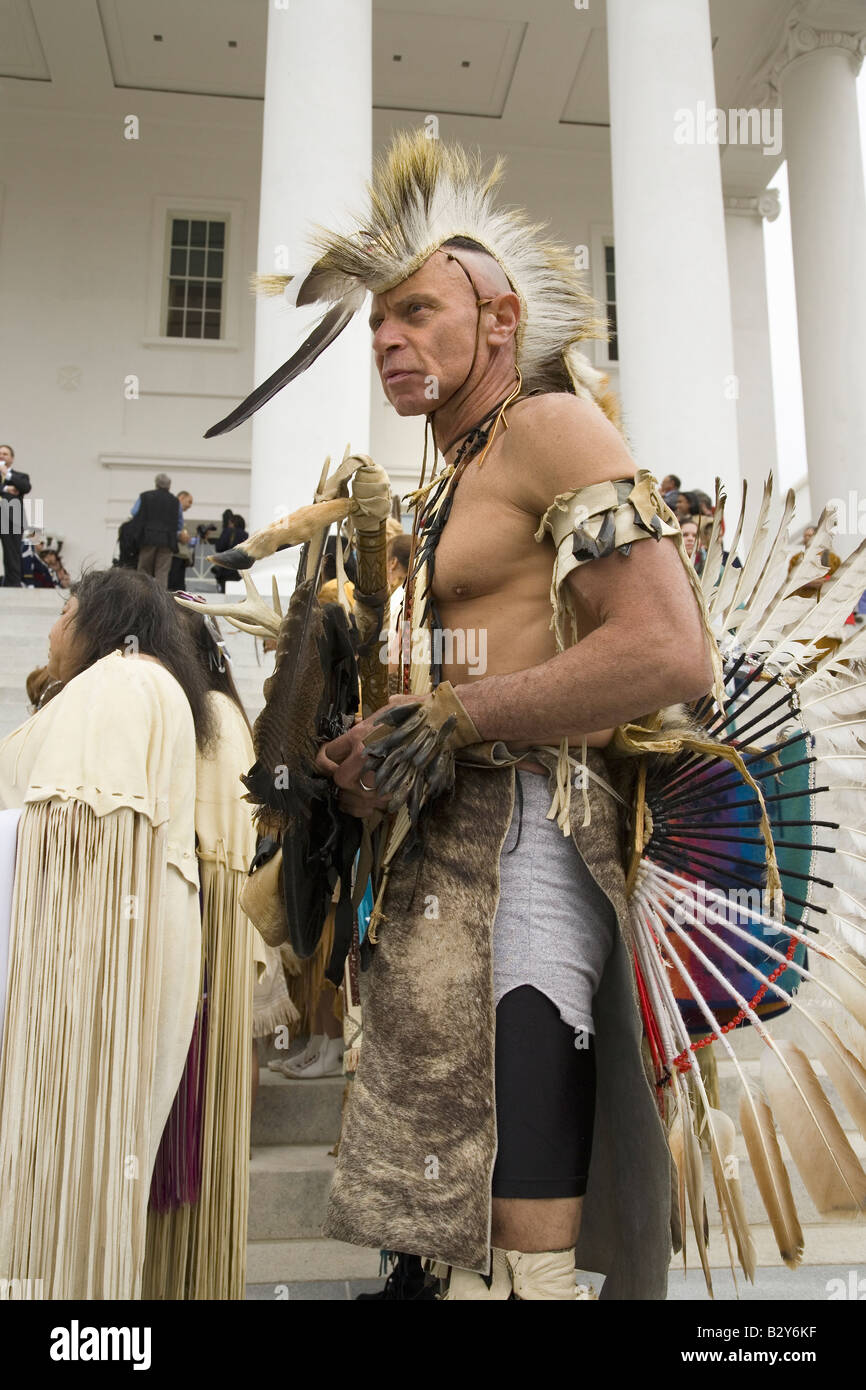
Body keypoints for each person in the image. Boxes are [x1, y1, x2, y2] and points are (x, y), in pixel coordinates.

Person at [212, 132, 718, 1300]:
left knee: (512, 1179)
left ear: (497, 324)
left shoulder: (547, 427)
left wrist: (461, 712)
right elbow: (448, 686)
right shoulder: (450, 476)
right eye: (380, 323)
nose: (391, 340)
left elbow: (666, 646)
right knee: (432, 1200)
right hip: (437, 858)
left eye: (420, 314)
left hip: (532, 843)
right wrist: (374, 750)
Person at [0, 568, 211, 1297]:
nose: (51, 630)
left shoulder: (121, 681)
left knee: (64, 1183)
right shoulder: (137, 683)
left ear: (100, 619)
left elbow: (80, 842)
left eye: (62, 612)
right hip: (116, 949)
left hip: (95, 966)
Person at [142, 600, 265, 1299]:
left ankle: (180, 1276)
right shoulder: (220, 711)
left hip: (203, 927)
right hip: (212, 925)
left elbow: (212, 852)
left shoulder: (205, 717)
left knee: (193, 1092)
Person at [132, 472, 184, 587]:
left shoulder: (145, 496)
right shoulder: (175, 501)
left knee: (144, 570)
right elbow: (180, 523)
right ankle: (159, 600)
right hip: (168, 540)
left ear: (156, 484)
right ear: (169, 486)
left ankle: (141, 595)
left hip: (148, 538)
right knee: (162, 571)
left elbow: (134, 512)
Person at [0, 444, 31, 588]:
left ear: (11, 458)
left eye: (5, 454)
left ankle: (13, 584)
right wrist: (6, 488)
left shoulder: (20, 476)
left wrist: (7, 474)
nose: (2, 456)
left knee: (12, 552)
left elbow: (25, 487)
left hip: (11, 518)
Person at [211, 513, 249, 593]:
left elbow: (219, 547)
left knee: (224, 594)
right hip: (239, 570)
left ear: (233, 523)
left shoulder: (228, 531)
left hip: (226, 569)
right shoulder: (245, 535)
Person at [168, 490, 195, 591]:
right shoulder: (173, 508)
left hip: (177, 554)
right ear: (182, 497)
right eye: (189, 501)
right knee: (175, 584)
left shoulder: (176, 510)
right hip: (175, 554)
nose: (190, 506)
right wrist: (181, 536)